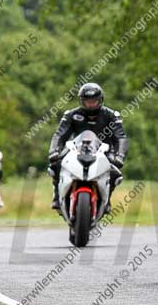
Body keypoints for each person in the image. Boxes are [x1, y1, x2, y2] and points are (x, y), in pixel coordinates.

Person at [48, 83, 128, 211]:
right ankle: (57, 196)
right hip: (76, 150)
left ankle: (106, 200)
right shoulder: (71, 115)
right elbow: (59, 135)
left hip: (104, 151)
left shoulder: (111, 116)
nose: (91, 104)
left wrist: (120, 155)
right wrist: (54, 151)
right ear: (81, 101)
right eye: (87, 101)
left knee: (115, 172)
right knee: (55, 164)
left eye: (94, 101)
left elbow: (121, 137)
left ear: (100, 100)